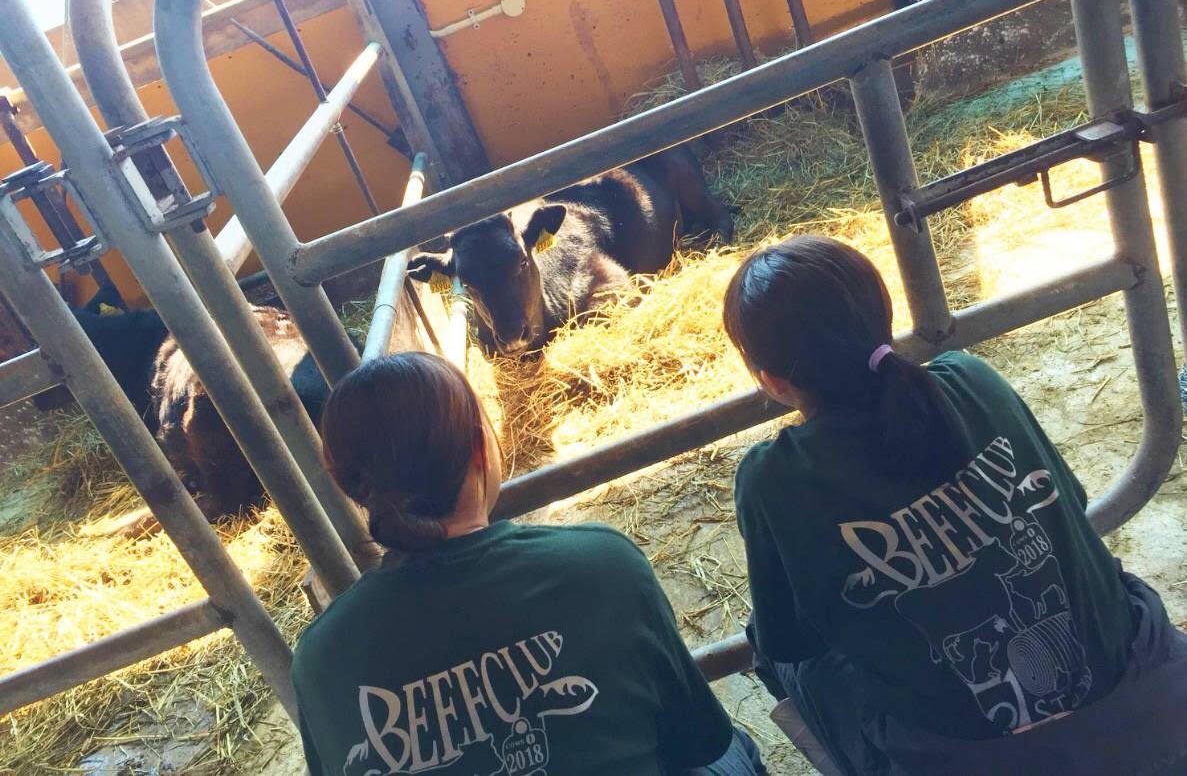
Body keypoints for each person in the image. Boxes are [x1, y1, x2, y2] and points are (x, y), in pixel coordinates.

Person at [722, 235, 1187, 776]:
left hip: (969, 757)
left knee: (771, 648)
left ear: (772, 381)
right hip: (1150, 705)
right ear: (883, 317)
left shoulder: (773, 477)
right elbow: (1073, 499)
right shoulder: (972, 379)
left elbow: (789, 638)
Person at [292, 351, 765, 776]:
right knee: (732, 750)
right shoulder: (602, 565)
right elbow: (699, 740)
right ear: (479, 448)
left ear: (349, 485)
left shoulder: (319, 657)